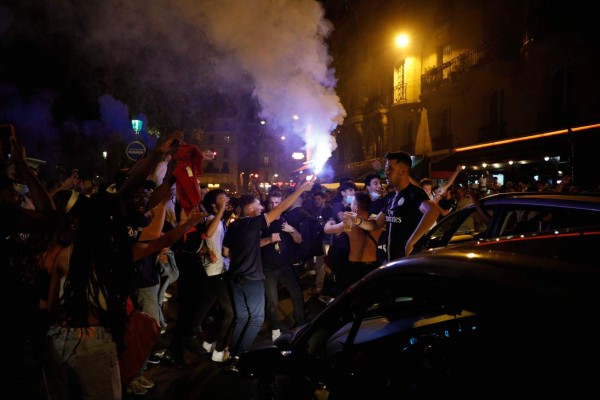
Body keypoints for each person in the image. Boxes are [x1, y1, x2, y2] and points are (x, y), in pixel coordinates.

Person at [222, 178, 314, 373]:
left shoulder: (234, 226)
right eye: (258, 205)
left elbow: (225, 252)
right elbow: (282, 208)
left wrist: (256, 244)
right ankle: (239, 357)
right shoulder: (254, 223)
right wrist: (301, 189)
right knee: (256, 319)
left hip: (234, 278)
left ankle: (233, 355)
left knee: (241, 318)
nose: (262, 208)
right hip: (251, 278)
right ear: (249, 209)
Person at [355, 151, 440, 261]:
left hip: (410, 262)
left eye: (390, 169)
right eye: (386, 168)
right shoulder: (391, 197)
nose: (386, 172)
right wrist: (356, 220)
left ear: (403, 171)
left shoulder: (414, 193)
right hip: (392, 261)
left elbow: (433, 211)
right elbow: (375, 224)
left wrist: (411, 242)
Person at [261, 190, 306, 342]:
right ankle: (275, 329)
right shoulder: (263, 221)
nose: (274, 205)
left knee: (297, 295)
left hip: (285, 266)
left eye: (277, 203)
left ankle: (301, 325)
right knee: (272, 302)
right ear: (267, 204)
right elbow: (253, 244)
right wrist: (268, 239)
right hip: (268, 268)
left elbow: (299, 240)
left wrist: (291, 230)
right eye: (271, 203)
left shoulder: (287, 220)